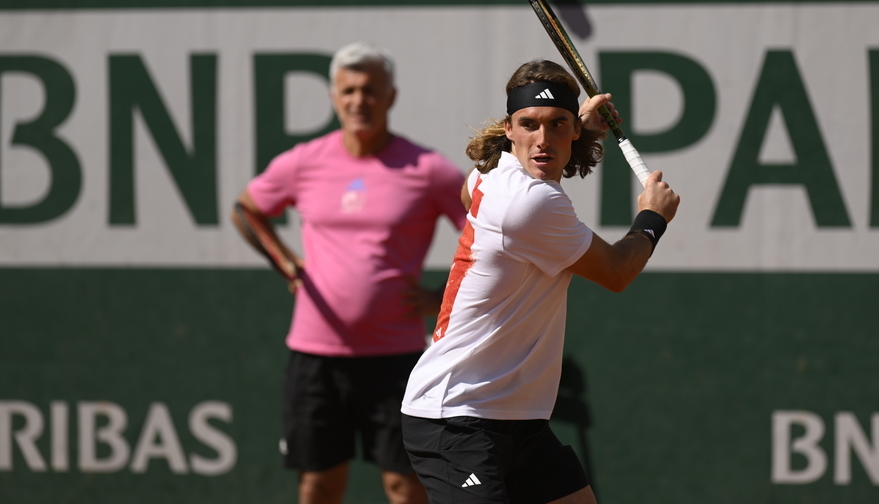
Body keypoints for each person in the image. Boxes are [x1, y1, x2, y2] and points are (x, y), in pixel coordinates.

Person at [400, 59, 681, 504]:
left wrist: (583, 126)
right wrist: (652, 218)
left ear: (574, 129)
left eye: (557, 125)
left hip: (517, 418)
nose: (542, 139)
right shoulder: (529, 204)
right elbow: (616, 272)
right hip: (456, 415)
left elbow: (470, 191)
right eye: (528, 124)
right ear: (509, 128)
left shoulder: (489, 174)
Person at [232, 42, 467, 504]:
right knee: (319, 485)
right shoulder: (304, 161)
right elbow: (247, 210)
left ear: (390, 97)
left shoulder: (428, 169)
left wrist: (445, 295)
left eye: (370, 90)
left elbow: (484, 229)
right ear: (335, 98)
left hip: (397, 358)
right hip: (315, 358)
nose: (360, 100)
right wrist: (286, 262)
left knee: (405, 486)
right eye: (349, 91)